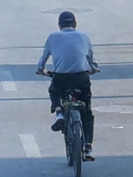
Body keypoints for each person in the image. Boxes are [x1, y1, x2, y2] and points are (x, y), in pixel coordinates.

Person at [36, 11, 99, 162]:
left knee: (54, 90)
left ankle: (59, 113)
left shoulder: (53, 37)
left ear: (59, 25)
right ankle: (88, 147)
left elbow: (42, 61)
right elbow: (92, 61)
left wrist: (41, 70)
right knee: (87, 110)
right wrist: (94, 69)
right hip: (81, 78)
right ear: (75, 24)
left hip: (61, 79)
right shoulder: (84, 36)